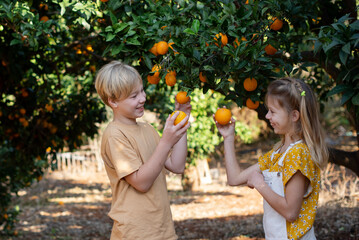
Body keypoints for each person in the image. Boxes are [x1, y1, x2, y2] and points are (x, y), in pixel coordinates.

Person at [214, 77, 328, 240]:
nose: (267, 116)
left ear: (294, 115)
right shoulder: (278, 153)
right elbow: (234, 179)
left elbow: (290, 212)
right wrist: (228, 137)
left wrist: (260, 184)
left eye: (273, 112)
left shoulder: (298, 154)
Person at [95, 60, 191, 239]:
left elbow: (177, 166)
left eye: (142, 91)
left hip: (162, 230)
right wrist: (165, 142)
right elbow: (141, 183)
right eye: (133, 96)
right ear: (113, 101)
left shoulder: (147, 128)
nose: (143, 98)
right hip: (135, 233)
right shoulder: (115, 135)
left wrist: (182, 121)